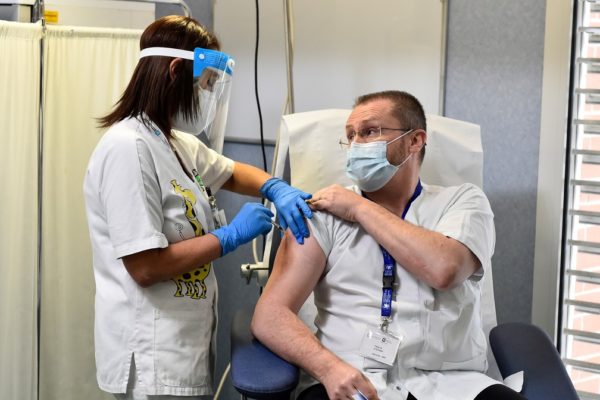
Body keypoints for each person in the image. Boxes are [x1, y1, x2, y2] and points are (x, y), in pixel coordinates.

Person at [83, 15, 313, 400]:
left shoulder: (174, 142)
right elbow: (144, 267)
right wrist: (229, 237)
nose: (208, 95)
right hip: (151, 351)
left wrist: (275, 187)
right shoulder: (128, 148)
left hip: (181, 341)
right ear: (176, 70)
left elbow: (233, 172)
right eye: (207, 84)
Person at [251, 90, 526, 400]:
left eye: (369, 132)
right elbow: (270, 315)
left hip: (454, 384)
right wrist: (328, 369)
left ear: (415, 140)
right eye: (350, 136)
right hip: (349, 381)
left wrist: (358, 208)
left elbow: (444, 269)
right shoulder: (323, 213)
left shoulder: (463, 202)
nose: (355, 145)